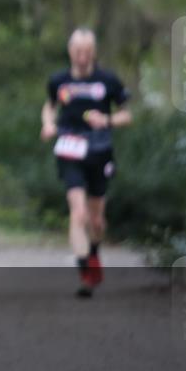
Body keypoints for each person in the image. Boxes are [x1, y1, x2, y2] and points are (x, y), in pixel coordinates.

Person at [40, 28, 132, 298]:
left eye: (87, 51)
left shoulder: (108, 80)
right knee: (78, 212)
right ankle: (84, 271)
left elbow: (127, 115)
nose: (82, 56)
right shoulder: (58, 80)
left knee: (96, 219)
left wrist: (108, 120)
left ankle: (93, 252)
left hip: (100, 150)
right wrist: (48, 123)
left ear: (94, 52)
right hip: (69, 150)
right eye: (77, 51)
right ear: (70, 51)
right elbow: (49, 105)